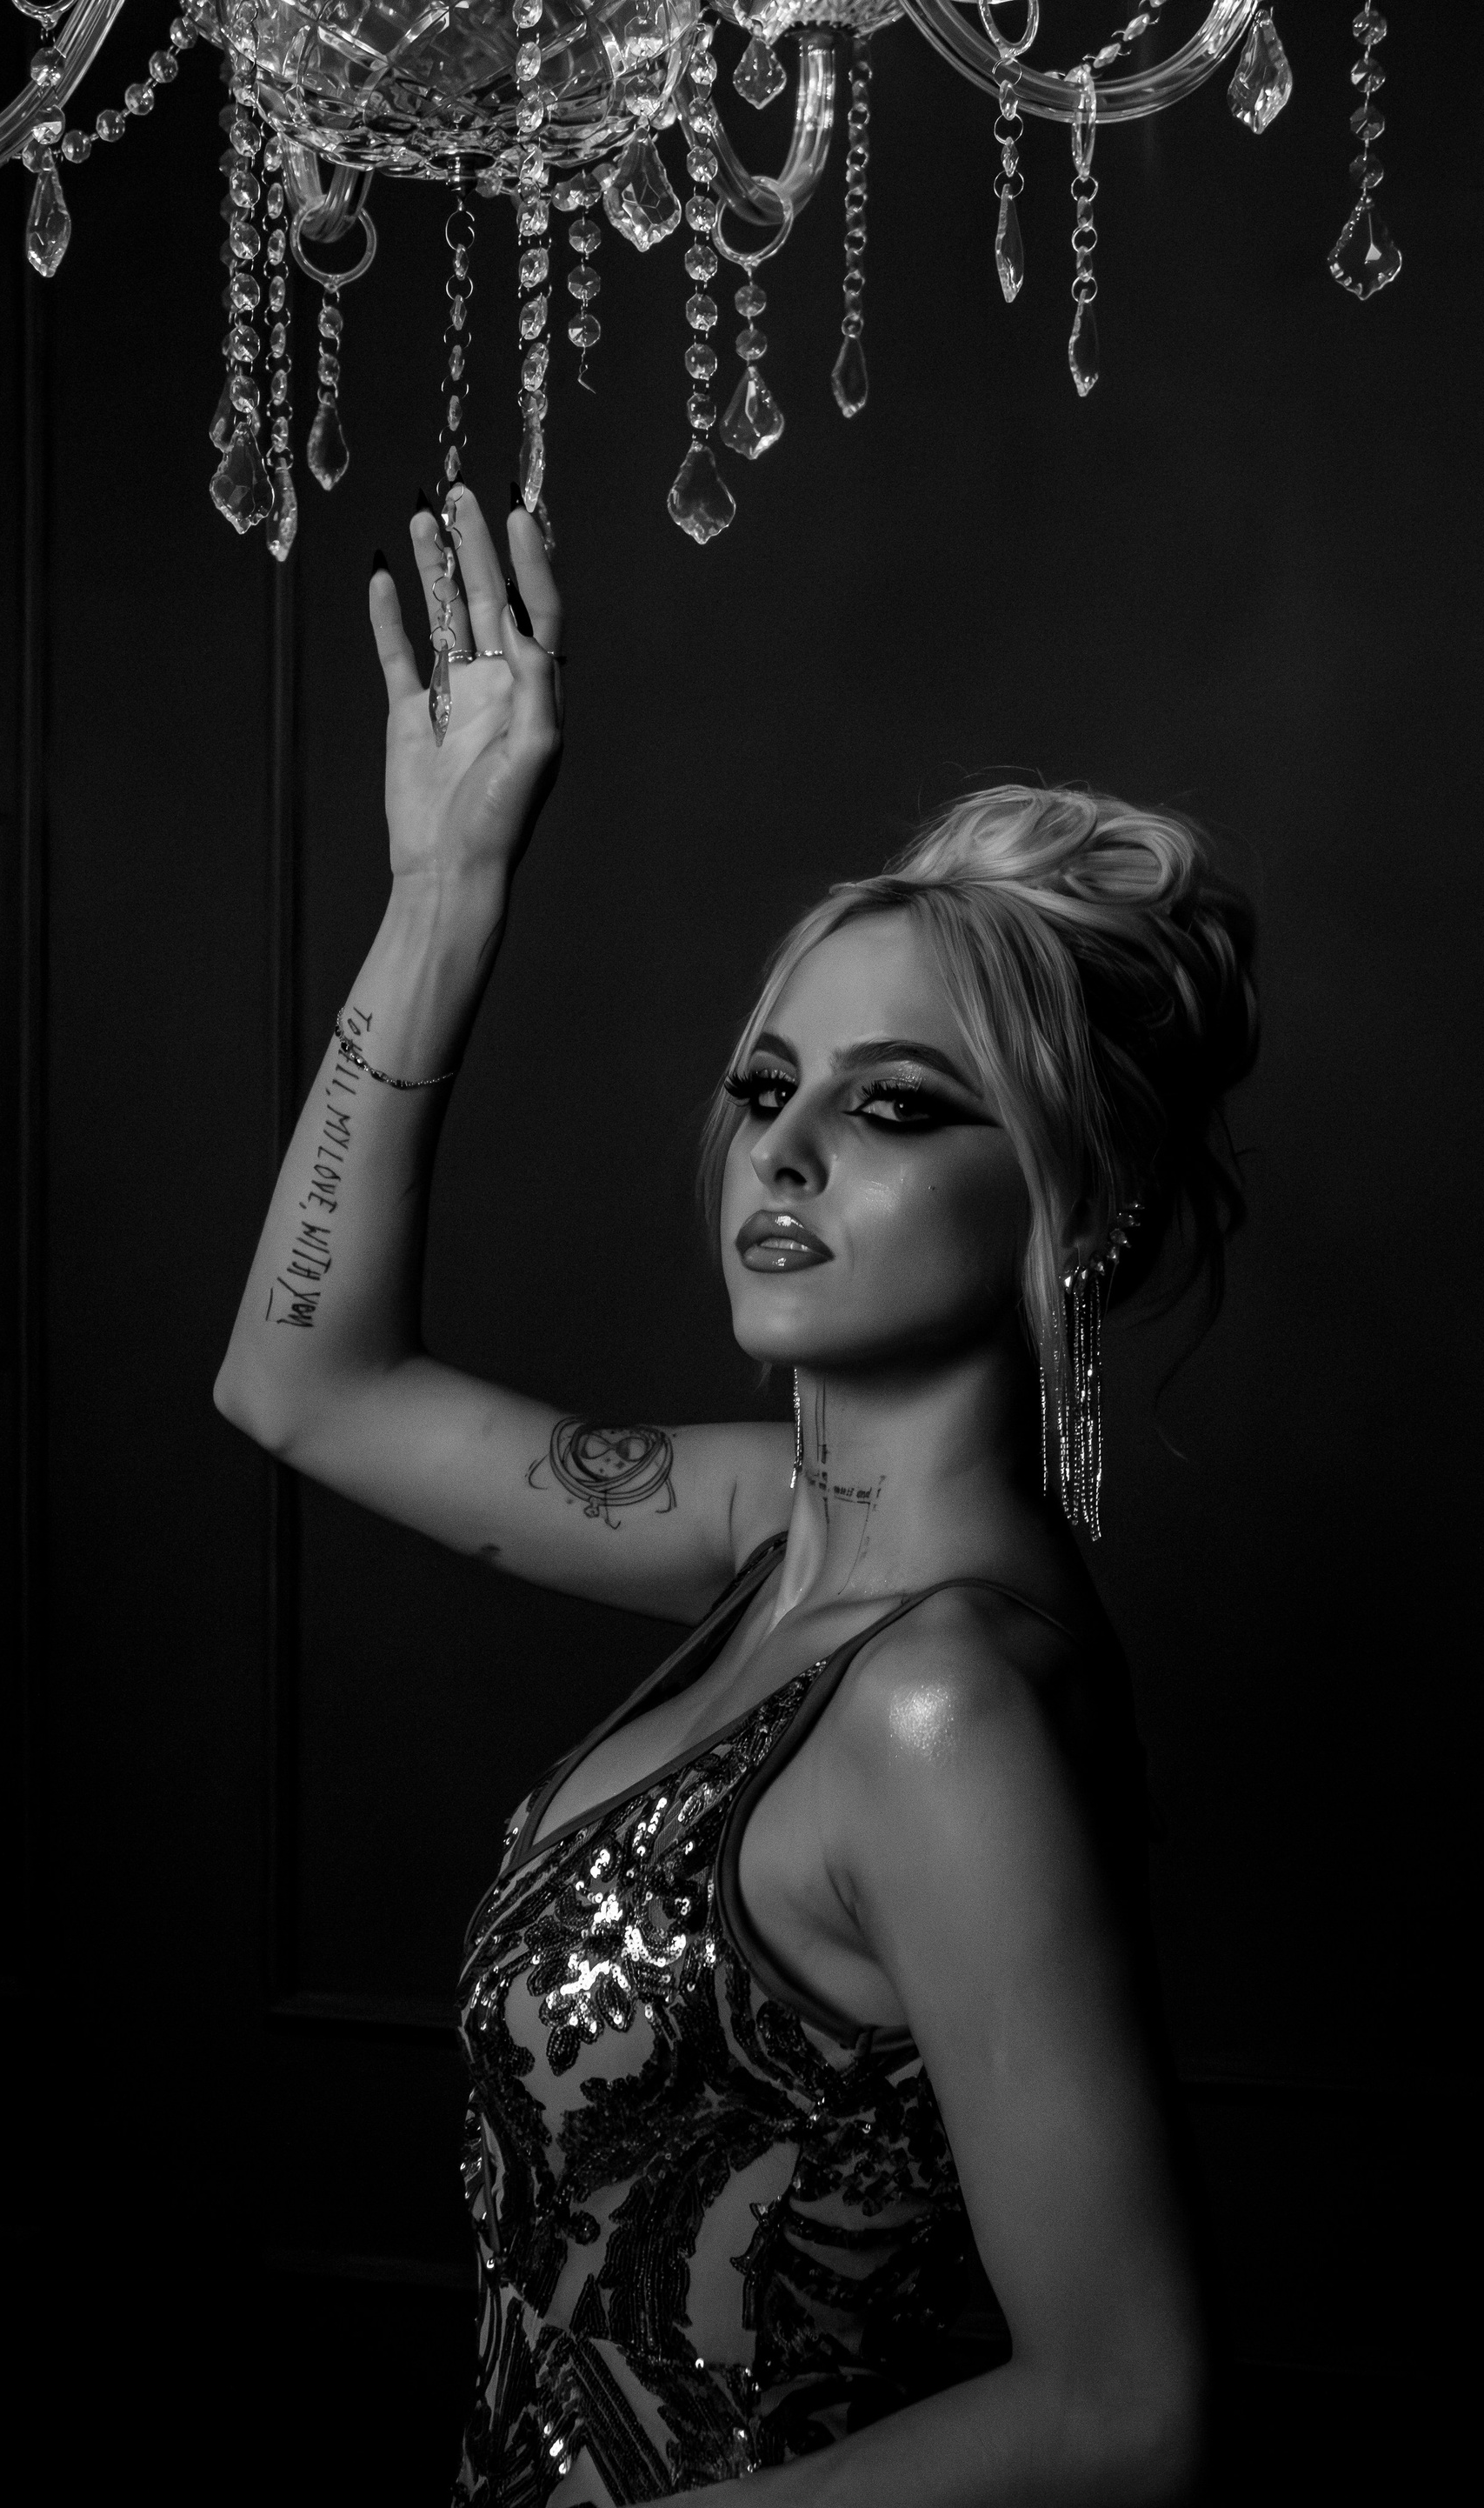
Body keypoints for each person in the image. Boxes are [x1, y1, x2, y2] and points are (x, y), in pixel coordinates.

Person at [214, 489, 1258, 2506]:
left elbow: (1128, 2408)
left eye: (895, 1104)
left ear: (1084, 1197)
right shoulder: (774, 1529)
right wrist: (445, 890)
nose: (783, 1150)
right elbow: (300, 1379)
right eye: (771, 1086)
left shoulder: (940, 1703)